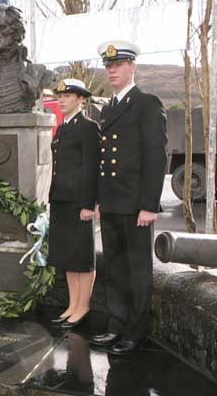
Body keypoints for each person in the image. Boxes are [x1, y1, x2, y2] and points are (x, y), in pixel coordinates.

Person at [90, 40, 167, 355]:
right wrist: (97, 199)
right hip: (111, 203)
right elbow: (103, 159)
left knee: (137, 271)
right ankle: (115, 326)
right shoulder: (109, 107)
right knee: (115, 269)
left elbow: (155, 158)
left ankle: (135, 333)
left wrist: (149, 205)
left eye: (118, 65)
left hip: (136, 206)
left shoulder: (147, 103)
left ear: (132, 66)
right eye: (109, 66)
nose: (112, 70)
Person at [47, 79, 100, 330]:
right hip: (61, 199)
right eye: (60, 96)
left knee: (82, 256)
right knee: (68, 256)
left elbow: (91, 168)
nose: (61, 99)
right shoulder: (62, 128)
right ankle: (72, 305)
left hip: (79, 201)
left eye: (68, 96)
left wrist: (88, 203)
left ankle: (83, 306)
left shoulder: (88, 127)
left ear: (81, 99)